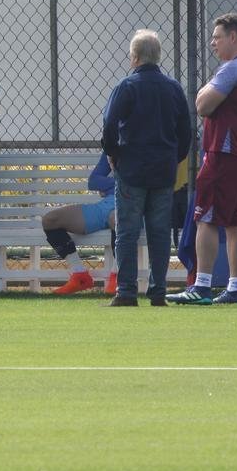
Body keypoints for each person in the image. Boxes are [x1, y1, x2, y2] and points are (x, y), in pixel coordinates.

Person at [167, 12, 237, 305]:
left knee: (205, 218)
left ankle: (202, 285)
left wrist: (206, 91)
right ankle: (236, 288)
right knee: (236, 222)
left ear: (233, 37)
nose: (212, 43)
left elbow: (202, 104)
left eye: (217, 37)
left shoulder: (234, 68)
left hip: (222, 152)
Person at [102, 29, 191, 307]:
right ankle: (158, 291)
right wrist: (173, 158)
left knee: (128, 231)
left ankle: (127, 291)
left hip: (132, 168)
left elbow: (108, 127)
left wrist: (114, 154)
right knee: (159, 232)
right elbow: (186, 132)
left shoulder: (127, 87)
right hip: (163, 170)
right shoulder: (173, 88)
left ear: (135, 57)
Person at [41, 152, 119, 295]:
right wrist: (117, 184)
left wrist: (110, 185)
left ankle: (117, 277)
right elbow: (93, 181)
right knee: (50, 220)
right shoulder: (112, 145)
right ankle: (80, 276)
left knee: (118, 219)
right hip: (105, 206)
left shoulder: (150, 143)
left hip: (132, 205)